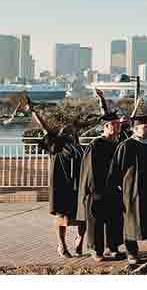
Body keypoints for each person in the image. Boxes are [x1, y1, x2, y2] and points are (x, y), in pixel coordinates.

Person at [108, 113, 147, 264]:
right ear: (135, 129)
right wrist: (119, 189)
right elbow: (115, 171)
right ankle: (132, 254)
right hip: (132, 192)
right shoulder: (126, 145)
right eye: (145, 127)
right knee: (131, 222)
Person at [29, 97, 86, 258]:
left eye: (71, 130)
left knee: (83, 217)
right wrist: (34, 112)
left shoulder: (79, 148)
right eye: (65, 130)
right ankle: (62, 245)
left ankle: (80, 240)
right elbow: (45, 127)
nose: (68, 131)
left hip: (79, 185)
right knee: (62, 217)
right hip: (62, 186)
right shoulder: (57, 145)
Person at [77, 110, 125, 262]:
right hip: (97, 190)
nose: (118, 127)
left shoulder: (119, 144)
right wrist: (94, 190)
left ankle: (113, 247)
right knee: (96, 222)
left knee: (115, 219)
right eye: (114, 124)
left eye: (119, 124)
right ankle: (97, 250)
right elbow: (90, 170)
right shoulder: (96, 144)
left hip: (114, 189)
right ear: (106, 126)